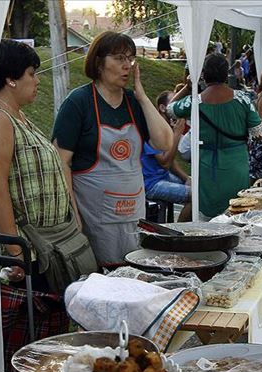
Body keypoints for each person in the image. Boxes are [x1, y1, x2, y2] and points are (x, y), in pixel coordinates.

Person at [52, 31, 172, 266]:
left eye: (130, 58)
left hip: (133, 211)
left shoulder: (134, 102)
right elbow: (61, 161)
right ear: (99, 62)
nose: (127, 65)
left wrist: (143, 97)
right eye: (119, 58)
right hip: (93, 216)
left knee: (133, 268)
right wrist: (73, 214)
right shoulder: (78, 102)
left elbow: (164, 143)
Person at [0, 39, 95, 293]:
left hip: (54, 242)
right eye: (31, 74)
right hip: (32, 249)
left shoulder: (17, 115)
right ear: (10, 79)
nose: (37, 81)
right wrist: (15, 250)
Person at [169, 53, 262, 218]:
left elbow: (170, 109)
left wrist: (187, 87)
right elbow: (260, 133)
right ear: (226, 74)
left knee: (205, 217)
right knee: (237, 213)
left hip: (206, 167)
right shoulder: (243, 99)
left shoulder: (195, 101)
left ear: (204, 75)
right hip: (236, 164)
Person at [142, 91, 191, 221]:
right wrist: (177, 133)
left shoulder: (167, 126)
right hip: (151, 184)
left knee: (199, 188)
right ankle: (179, 231)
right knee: (196, 196)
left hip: (163, 176)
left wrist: (186, 178)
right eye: (173, 103)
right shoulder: (153, 128)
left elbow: (171, 163)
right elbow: (165, 162)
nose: (177, 107)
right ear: (163, 108)